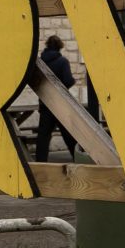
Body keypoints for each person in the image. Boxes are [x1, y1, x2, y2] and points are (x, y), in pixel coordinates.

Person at [34, 33, 77, 162]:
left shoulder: (40, 62)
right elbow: (68, 80)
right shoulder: (62, 61)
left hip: (45, 102)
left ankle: (40, 162)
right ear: (60, 47)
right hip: (60, 103)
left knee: (43, 136)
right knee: (69, 135)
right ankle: (77, 158)